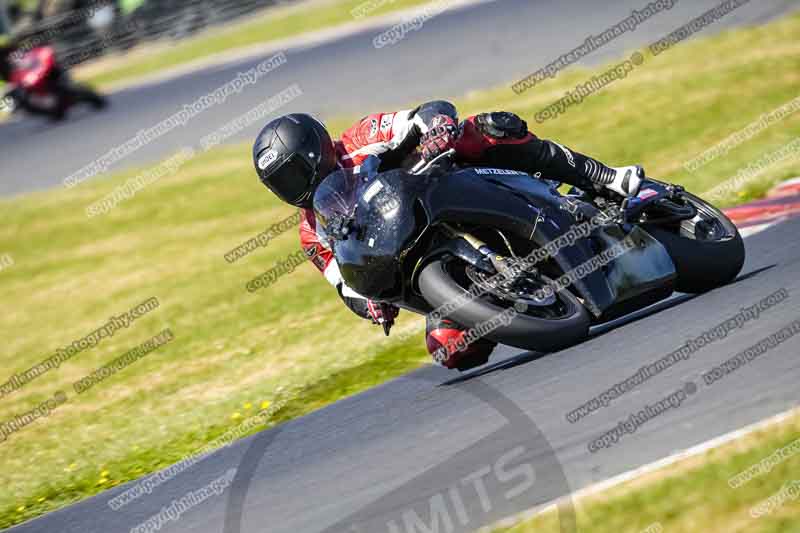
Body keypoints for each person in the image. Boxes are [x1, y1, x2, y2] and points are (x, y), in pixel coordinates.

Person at [252, 101, 644, 370]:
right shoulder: (310, 231)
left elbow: (427, 113)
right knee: (450, 349)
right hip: (415, 254)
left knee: (488, 128)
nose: (294, 186)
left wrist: (437, 128)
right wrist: (370, 306)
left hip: (447, 187)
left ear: (317, 151)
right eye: (282, 183)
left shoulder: (360, 138)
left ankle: (602, 177)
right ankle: (518, 300)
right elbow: (344, 285)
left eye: (294, 172)